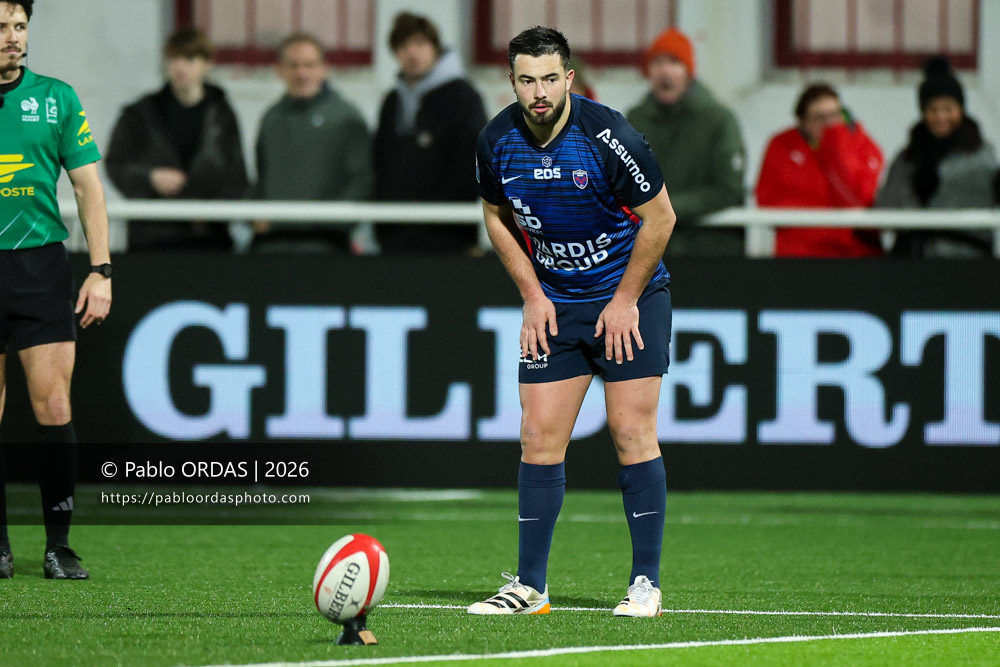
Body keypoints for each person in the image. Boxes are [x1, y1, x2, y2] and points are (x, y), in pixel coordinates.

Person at [469, 27, 676, 617]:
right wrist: (533, 295)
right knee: (537, 437)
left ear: (569, 79)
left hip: (628, 299)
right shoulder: (495, 140)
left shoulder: (609, 135)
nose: (539, 92)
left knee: (631, 431)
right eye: (527, 80)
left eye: (549, 79)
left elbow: (661, 219)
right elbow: (495, 214)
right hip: (556, 305)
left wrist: (625, 298)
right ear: (512, 82)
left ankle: (645, 584)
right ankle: (530, 586)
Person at [0, 0, 112, 580]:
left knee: (55, 404)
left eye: (19, 26)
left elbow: (89, 187)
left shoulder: (58, 98)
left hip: (40, 267)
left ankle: (59, 545)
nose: (12, 37)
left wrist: (101, 270)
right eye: (1, 27)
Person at [105, 28, 248, 251]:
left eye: (190, 59)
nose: (180, 67)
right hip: (153, 235)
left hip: (209, 237)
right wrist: (150, 177)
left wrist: (209, 208)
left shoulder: (223, 115)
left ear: (207, 64)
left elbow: (236, 174)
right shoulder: (141, 113)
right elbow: (115, 164)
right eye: (174, 59)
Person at [373, 12, 486, 254]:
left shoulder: (463, 97)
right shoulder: (392, 101)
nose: (412, 53)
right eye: (403, 46)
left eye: (420, 44)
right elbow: (381, 161)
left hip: (449, 232)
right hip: (394, 232)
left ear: (435, 48)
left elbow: (474, 161)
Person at [626, 27, 744, 256]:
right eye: (657, 63)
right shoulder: (635, 119)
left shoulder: (718, 120)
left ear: (689, 72)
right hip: (650, 252)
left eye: (674, 62)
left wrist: (666, 207)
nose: (665, 71)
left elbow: (729, 190)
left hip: (708, 250)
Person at [252, 33, 373, 253]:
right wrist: (254, 217)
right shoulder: (272, 118)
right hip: (272, 244)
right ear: (279, 69)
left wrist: (333, 222)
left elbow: (362, 180)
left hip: (326, 245)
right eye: (293, 65)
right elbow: (262, 178)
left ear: (324, 68)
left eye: (310, 65)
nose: (302, 73)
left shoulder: (347, 117)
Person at [876, 57, 999, 258]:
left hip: (967, 259)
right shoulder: (908, 157)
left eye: (948, 109)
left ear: (960, 110)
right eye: (933, 110)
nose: (941, 117)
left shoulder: (982, 156)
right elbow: (887, 205)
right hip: (912, 259)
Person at [756, 83, 884, 257]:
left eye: (835, 114)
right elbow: (768, 200)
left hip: (855, 252)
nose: (829, 123)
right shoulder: (781, 145)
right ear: (802, 121)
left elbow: (858, 198)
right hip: (801, 254)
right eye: (819, 117)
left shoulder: (861, 144)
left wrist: (836, 143)